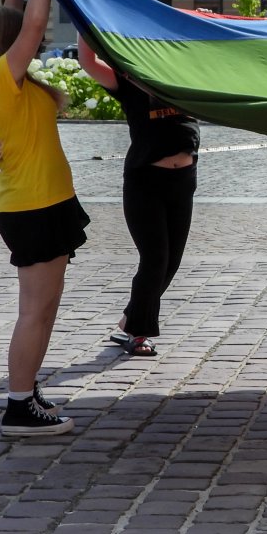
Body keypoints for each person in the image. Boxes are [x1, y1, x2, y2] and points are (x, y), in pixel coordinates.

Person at [0, 0, 88, 436]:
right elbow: (34, 25)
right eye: (14, 32)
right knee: (35, 312)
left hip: (42, 202)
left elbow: (23, 22)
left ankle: (26, 389)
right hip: (32, 205)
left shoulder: (5, 83)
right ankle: (18, 407)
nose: (24, 36)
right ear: (5, 41)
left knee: (44, 309)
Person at [78, 35, 200, 358]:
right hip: (145, 181)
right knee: (155, 259)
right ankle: (139, 333)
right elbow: (88, 62)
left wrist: (200, 26)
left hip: (183, 181)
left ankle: (131, 319)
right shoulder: (129, 80)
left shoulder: (185, 76)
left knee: (171, 263)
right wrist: (81, 17)